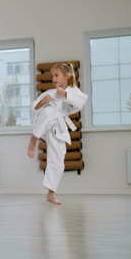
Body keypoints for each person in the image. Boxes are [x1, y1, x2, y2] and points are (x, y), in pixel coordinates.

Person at [27, 63, 88, 205]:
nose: (53, 78)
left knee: (58, 161)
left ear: (67, 76)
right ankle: (33, 139)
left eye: (56, 75)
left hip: (57, 128)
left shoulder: (73, 91)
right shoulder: (49, 92)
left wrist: (65, 94)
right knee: (50, 111)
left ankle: (51, 193)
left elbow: (80, 102)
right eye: (52, 76)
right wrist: (43, 101)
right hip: (43, 123)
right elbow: (34, 108)